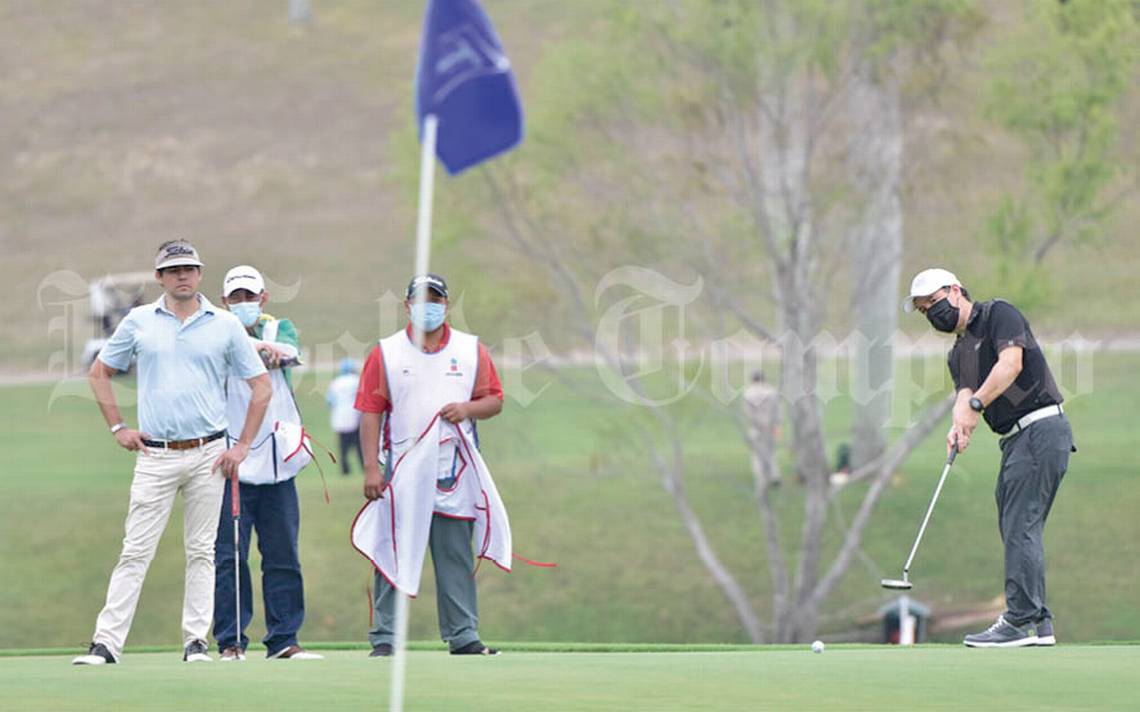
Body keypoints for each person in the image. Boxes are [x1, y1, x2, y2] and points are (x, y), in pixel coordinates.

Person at [73, 241, 271, 666]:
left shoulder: (224, 324)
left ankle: (195, 642)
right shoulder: (139, 321)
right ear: (159, 277)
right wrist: (117, 426)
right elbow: (99, 372)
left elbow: (261, 386)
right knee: (135, 550)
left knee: (202, 550)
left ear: (200, 274)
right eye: (173, 269)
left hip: (209, 454)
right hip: (155, 455)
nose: (183, 275)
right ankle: (106, 643)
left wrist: (242, 446)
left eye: (190, 268)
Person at [903, 267, 1074, 648]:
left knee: (1020, 526)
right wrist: (959, 425)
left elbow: (1009, 365)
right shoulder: (958, 353)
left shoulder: (999, 314)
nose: (932, 313)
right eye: (923, 310)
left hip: (1041, 429)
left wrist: (977, 404)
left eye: (933, 302)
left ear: (955, 290)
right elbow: (965, 396)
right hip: (1016, 442)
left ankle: (1021, 621)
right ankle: (1038, 622)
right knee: (1019, 526)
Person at [353, 273, 507, 657]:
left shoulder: (471, 350)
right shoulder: (386, 352)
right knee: (393, 550)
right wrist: (372, 468)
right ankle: (386, 637)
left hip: (454, 469)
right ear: (407, 306)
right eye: (421, 300)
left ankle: (463, 634)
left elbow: (495, 400)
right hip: (402, 468)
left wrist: (467, 409)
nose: (429, 307)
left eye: (436, 300)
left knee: (454, 552)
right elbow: (370, 412)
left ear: (447, 305)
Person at [213, 265, 323, 661]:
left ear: (263, 299)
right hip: (230, 462)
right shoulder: (215, 333)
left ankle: (283, 639)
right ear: (224, 301)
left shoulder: (280, 328)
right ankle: (230, 641)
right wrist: (257, 350)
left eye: (250, 296)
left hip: (277, 462)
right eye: (236, 297)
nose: (243, 303)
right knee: (229, 557)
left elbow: (291, 353)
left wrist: (267, 349)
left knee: (283, 555)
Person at [742, 370, 781, 488]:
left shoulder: (748, 393)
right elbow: (777, 411)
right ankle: (774, 476)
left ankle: (761, 477)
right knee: (771, 452)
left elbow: (748, 413)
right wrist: (777, 426)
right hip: (770, 426)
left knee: (757, 454)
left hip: (756, 427)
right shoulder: (772, 392)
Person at [326, 358, 364, 475]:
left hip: (339, 418)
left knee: (343, 447)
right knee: (359, 445)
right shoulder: (357, 381)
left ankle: (345, 470)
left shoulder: (335, 383)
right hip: (355, 416)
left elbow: (330, 401)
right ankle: (363, 466)